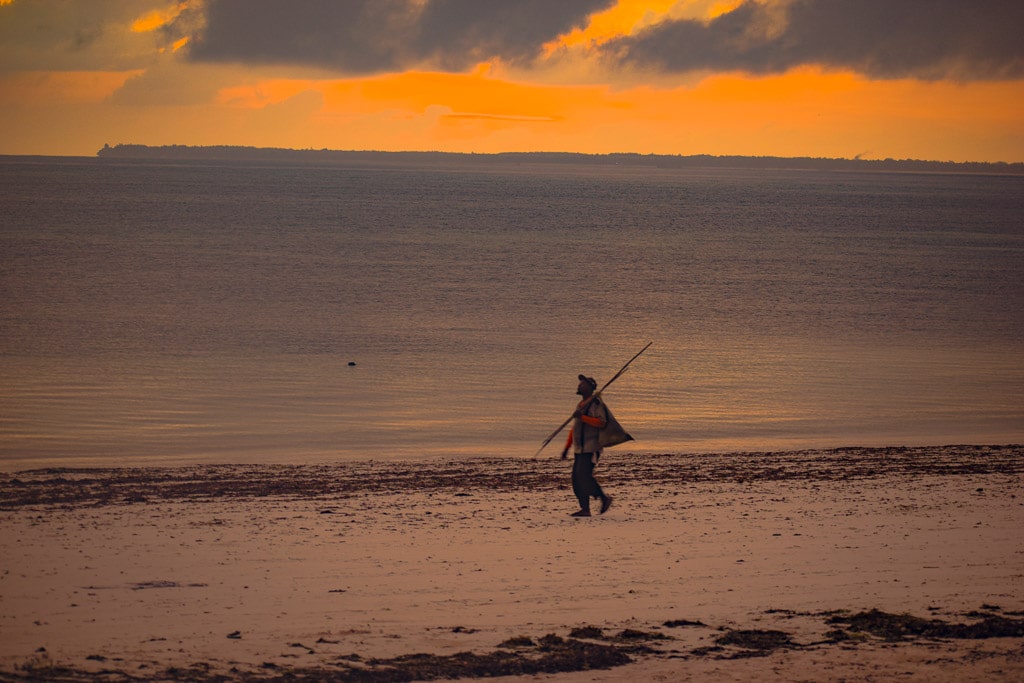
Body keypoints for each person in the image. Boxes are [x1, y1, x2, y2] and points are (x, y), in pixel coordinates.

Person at [561, 374, 614, 517]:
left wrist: (582, 417)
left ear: (590, 388)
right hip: (580, 449)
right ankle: (585, 509)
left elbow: (602, 422)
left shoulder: (596, 404)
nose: (579, 386)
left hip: (591, 448)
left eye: (583, 384)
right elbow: (575, 429)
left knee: (584, 477)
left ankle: (604, 498)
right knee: (576, 480)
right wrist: (567, 447)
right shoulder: (581, 405)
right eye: (580, 384)